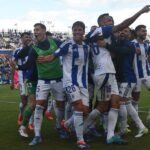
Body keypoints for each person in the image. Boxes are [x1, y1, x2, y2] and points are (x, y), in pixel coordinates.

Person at [85, 5, 150, 144]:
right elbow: (124, 24)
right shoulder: (101, 30)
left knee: (115, 103)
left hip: (110, 73)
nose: (112, 23)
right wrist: (140, 11)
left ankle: (110, 136)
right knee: (103, 106)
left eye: (112, 20)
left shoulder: (99, 36)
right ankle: (82, 129)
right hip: (104, 72)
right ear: (101, 23)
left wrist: (110, 46)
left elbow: (112, 51)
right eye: (109, 20)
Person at [37, 21, 90, 149]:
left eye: (79, 30)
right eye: (75, 30)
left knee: (85, 111)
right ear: (72, 31)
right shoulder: (67, 44)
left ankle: (66, 124)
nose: (77, 32)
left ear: (83, 31)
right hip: (69, 82)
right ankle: (80, 140)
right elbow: (54, 55)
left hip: (83, 83)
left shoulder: (87, 46)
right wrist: (45, 59)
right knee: (78, 107)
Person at [27, 23, 66, 146]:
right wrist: (17, 66)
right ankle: (37, 135)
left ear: (44, 30)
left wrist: (53, 56)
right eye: (34, 30)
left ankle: (59, 127)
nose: (35, 32)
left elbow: (66, 47)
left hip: (58, 80)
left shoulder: (55, 41)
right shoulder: (33, 47)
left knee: (60, 105)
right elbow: (28, 64)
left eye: (37, 29)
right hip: (43, 81)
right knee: (39, 106)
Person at [10, 32, 32, 125]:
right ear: (22, 39)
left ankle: (31, 122)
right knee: (24, 101)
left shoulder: (33, 49)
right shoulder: (17, 51)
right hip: (23, 79)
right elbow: (13, 66)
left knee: (33, 100)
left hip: (33, 78)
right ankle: (21, 113)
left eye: (29, 37)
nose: (28, 38)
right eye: (26, 37)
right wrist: (12, 81)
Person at [131, 25, 150, 121]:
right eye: (143, 31)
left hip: (147, 73)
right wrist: (133, 52)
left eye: (145, 31)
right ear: (137, 32)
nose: (145, 32)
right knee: (135, 99)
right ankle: (136, 119)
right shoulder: (131, 44)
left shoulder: (147, 44)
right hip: (136, 75)